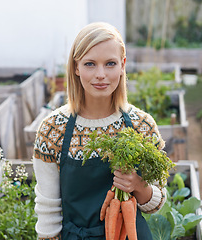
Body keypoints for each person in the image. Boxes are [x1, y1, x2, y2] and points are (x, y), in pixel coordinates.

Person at [32, 22, 167, 239]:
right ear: (76, 67)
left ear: (123, 65)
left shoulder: (142, 125)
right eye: (90, 64)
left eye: (110, 63)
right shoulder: (52, 129)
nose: (101, 74)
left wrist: (139, 185)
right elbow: (48, 207)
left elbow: (156, 204)